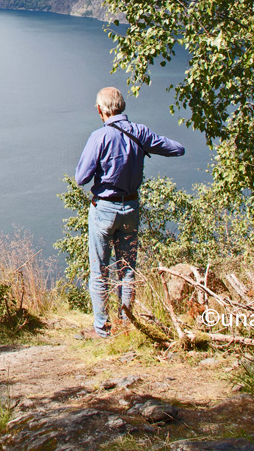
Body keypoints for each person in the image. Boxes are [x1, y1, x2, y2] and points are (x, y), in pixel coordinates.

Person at [75, 86, 185, 338]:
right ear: (121, 106)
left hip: (103, 210)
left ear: (101, 110)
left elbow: (81, 177)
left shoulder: (99, 137)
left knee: (99, 271)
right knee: (127, 269)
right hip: (130, 209)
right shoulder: (141, 132)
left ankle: (102, 329)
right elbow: (177, 149)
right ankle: (127, 325)